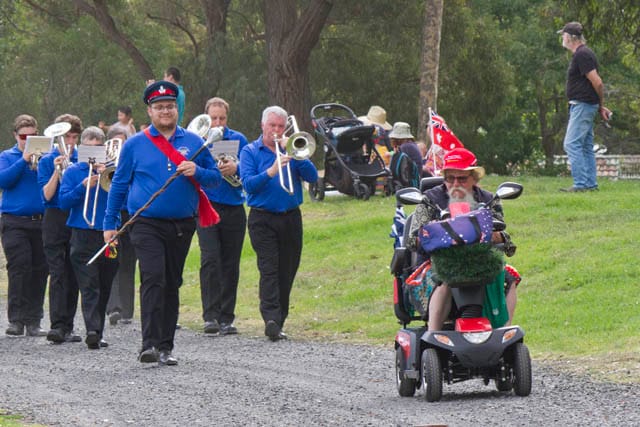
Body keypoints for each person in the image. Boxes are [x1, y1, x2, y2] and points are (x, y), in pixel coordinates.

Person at [103, 80, 221, 365]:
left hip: (182, 223)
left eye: (169, 106)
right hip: (146, 223)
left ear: (176, 109)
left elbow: (215, 178)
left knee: (171, 282)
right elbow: (119, 184)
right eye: (159, 107)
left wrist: (197, 171)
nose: (165, 111)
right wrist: (109, 223)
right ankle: (149, 344)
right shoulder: (134, 145)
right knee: (153, 277)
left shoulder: (194, 142)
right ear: (150, 111)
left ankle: (166, 346)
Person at [406, 148, 518, 330]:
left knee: (510, 276)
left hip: (479, 261)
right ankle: (433, 334)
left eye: (462, 179)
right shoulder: (430, 200)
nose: (455, 183)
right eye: (450, 178)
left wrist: (494, 236)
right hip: (435, 263)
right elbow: (412, 241)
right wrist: (435, 234)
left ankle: (504, 331)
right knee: (445, 279)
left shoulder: (488, 200)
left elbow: (504, 238)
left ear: (474, 178)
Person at [239, 106, 318, 341]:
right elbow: (248, 185)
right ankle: (271, 319)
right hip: (262, 218)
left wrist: (295, 153)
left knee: (288, 269)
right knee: (269, 268)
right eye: (272, 125)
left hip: (291, 217)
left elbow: (313, 177)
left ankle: (279, 319)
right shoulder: (250, 151)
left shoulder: (291, 148)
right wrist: (272, 171)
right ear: (262, 125)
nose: (276, 130)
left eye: (280, 126)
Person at [59, 126, 117, 349]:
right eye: (88, 148)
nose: (93, 152)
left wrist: (108, 177)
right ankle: (93, 331)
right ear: (82, 148)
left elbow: (125, 201)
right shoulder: (73, 171)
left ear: (104, 149)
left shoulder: (112, 171)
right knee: (89, 285)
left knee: (104, 284)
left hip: (108, 234)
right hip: (81, 233)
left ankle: (98, 331)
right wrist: (83, 187)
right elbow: (63, 203)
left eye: (97, 148)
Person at [197, 97, 249, 335]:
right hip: (207, 205)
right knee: (210, 259)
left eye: (222, 118)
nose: (218, 122)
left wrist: (236, 168)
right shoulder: (199, 140)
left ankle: (227, 317)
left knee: (230, 262)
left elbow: (248, 169)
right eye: (213, 118)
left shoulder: (238, 139)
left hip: (233, 206)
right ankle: (210, 316)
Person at [0, 114, 49, 336]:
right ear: (15, 136)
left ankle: (34, 320)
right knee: (19, 268)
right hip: (14, 222)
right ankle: (16, 320)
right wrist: (23, 160)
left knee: (40, 270)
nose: (27, 140)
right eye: (23, 137)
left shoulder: (45, 157)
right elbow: (4, 181)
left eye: (32, 136)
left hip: (41, 221)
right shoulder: (7, 156)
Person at [38, 114, 83, 343]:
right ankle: (56, 325)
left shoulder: (82, 159)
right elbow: (46, 195)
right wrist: (57, 170)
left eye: (74, 137)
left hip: (75, 215)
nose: (71, 142)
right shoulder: (46, 160)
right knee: (57, 272)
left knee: (73, 272)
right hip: (54, 217)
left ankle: (68, 325)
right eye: (67, 137)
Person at [557, 21, 612, 192]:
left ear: (570, 37)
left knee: (571, 144)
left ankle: (580, 184)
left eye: (563, 35)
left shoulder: (582, 54)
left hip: (583, 105)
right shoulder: (583, 54)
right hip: (585, 105)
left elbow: (598, 82)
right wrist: (599, 106)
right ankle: (590, 184)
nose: (562, 38)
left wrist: (601, 105)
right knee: (586, 146)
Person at [105, 124, 136, 326]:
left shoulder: (133, 159)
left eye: (123, 143)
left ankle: (127, 310)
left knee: (129, 262)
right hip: (113, 215)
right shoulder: (104, 163)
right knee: (112, 260)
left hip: (131, 214)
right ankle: (113, 307)